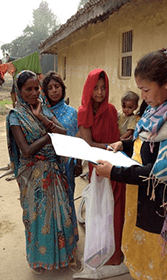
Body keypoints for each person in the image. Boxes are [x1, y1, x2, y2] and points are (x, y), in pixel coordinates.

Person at [93, 48, 167, 279]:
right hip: (142, 198)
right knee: (144, 255)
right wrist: (126, 145)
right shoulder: (155, 109)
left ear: (166, 83)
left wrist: (114, 172)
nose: (143, 96)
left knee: (163, 263)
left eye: (146, 89)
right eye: (140, 89)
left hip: (165, 208)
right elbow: (147, 144)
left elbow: (164, 172)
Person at [6, 70, 81, 275]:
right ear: (19, 91)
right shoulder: (16, 116)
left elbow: (64, 132)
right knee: (39, 218)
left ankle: (65, 256)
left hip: (54, 170)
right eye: (28, 89)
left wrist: (42, 118)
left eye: (36, 88)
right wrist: (49, 135)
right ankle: (39, 259)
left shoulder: (44, 107)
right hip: (33, 175)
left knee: (62, 214)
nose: (33, 93)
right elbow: (27, 151)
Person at [73, 69, 128, 279]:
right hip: (98, 169)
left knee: (116, 211)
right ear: (88, 88)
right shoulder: (83, 112)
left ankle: (115, 255)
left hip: (114, 167)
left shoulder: (112, 110)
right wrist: (110, 147)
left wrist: (114, 149)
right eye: (95, 88)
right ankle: (102, 249)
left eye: (104, 87)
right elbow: (88, 145)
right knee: (100, 212)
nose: (100, 92)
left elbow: (115, 137)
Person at [41, 71, 82, 243]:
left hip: (67, 166)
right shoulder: (40, 111)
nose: (54, 90)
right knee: (48, 205)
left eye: (57, 86)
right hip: (47, 166)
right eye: (50, 88)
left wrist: (79, 162)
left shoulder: (72, 112)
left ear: (62, 89)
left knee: (67, 202)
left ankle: (70, 241)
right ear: (45, 91)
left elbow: (77, 138)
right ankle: (52, 244)